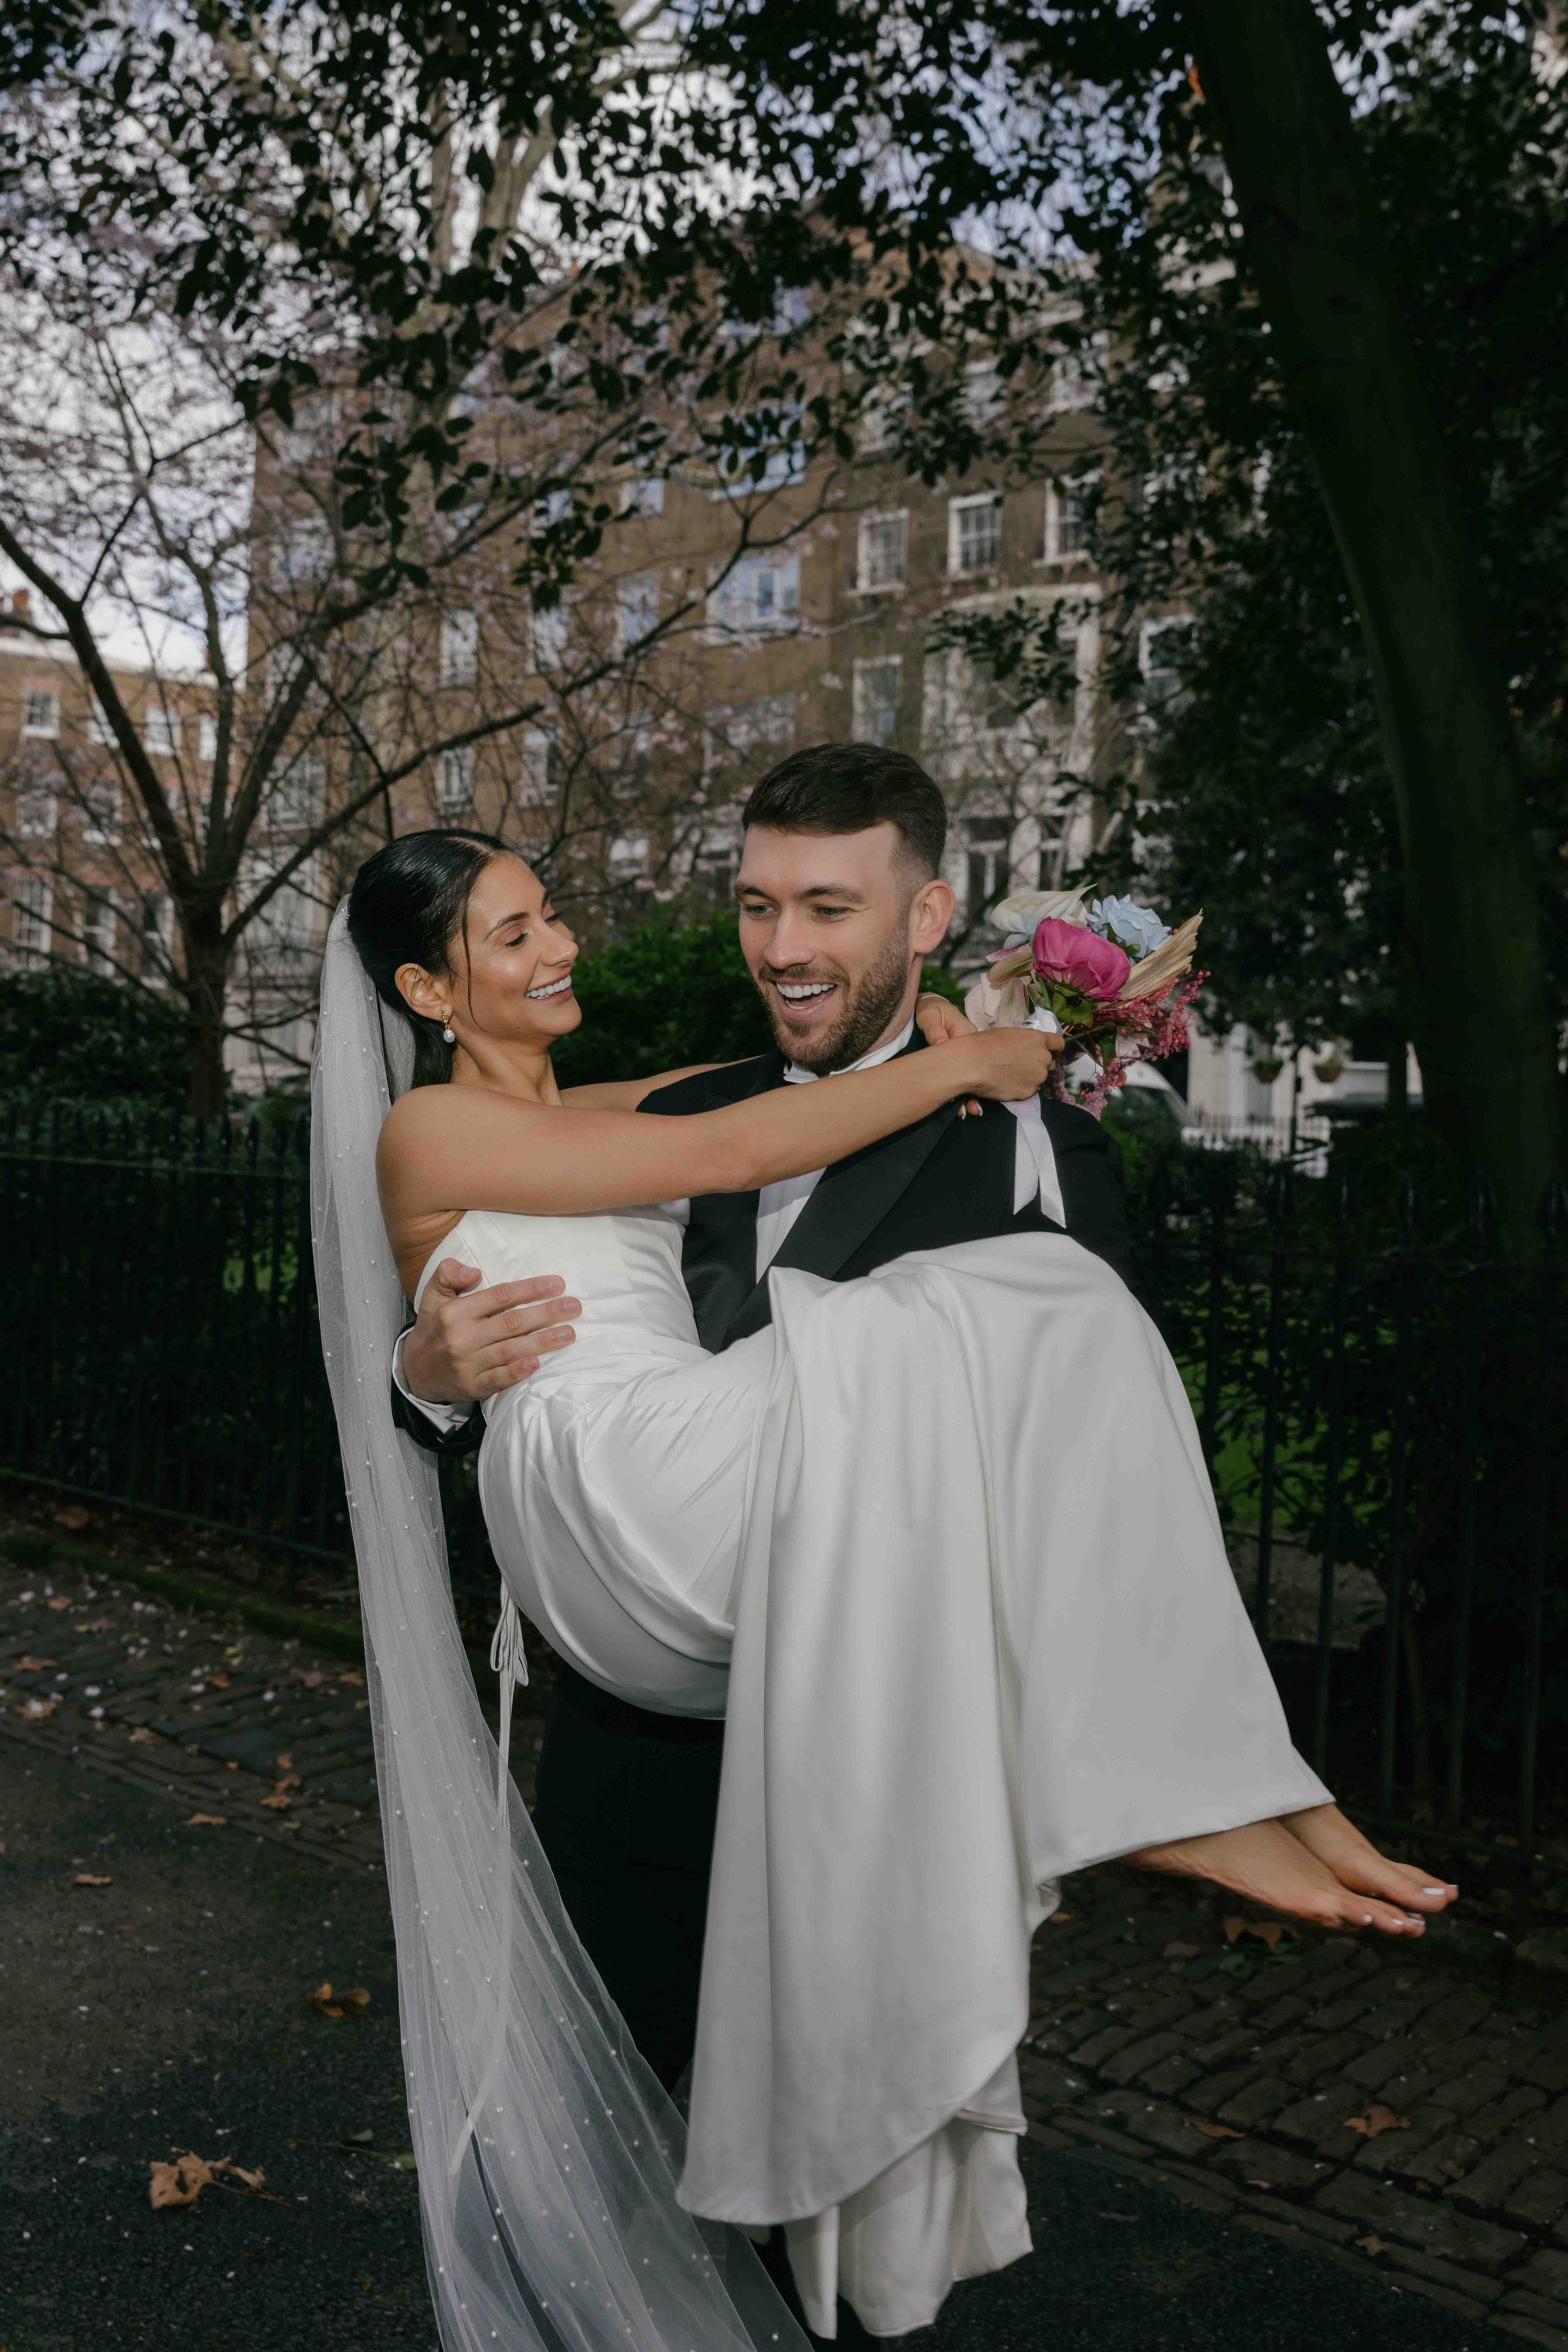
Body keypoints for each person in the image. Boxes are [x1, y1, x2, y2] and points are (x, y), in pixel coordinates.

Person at [315, 768, 1457, 2351]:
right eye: (756, 905)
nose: (780, 943)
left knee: (824, 2208)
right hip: (647, 1731)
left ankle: (1219, 1783)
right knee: (583, 2146)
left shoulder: (1017, 1157)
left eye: (826, 910)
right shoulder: (606, 1125)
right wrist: (418, 1381)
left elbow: (1070, 1496)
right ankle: (1192, 1799)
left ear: (925, 915)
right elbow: (714, 1155)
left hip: (853, 1750)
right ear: (430, 986)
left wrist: (1000, 1061)